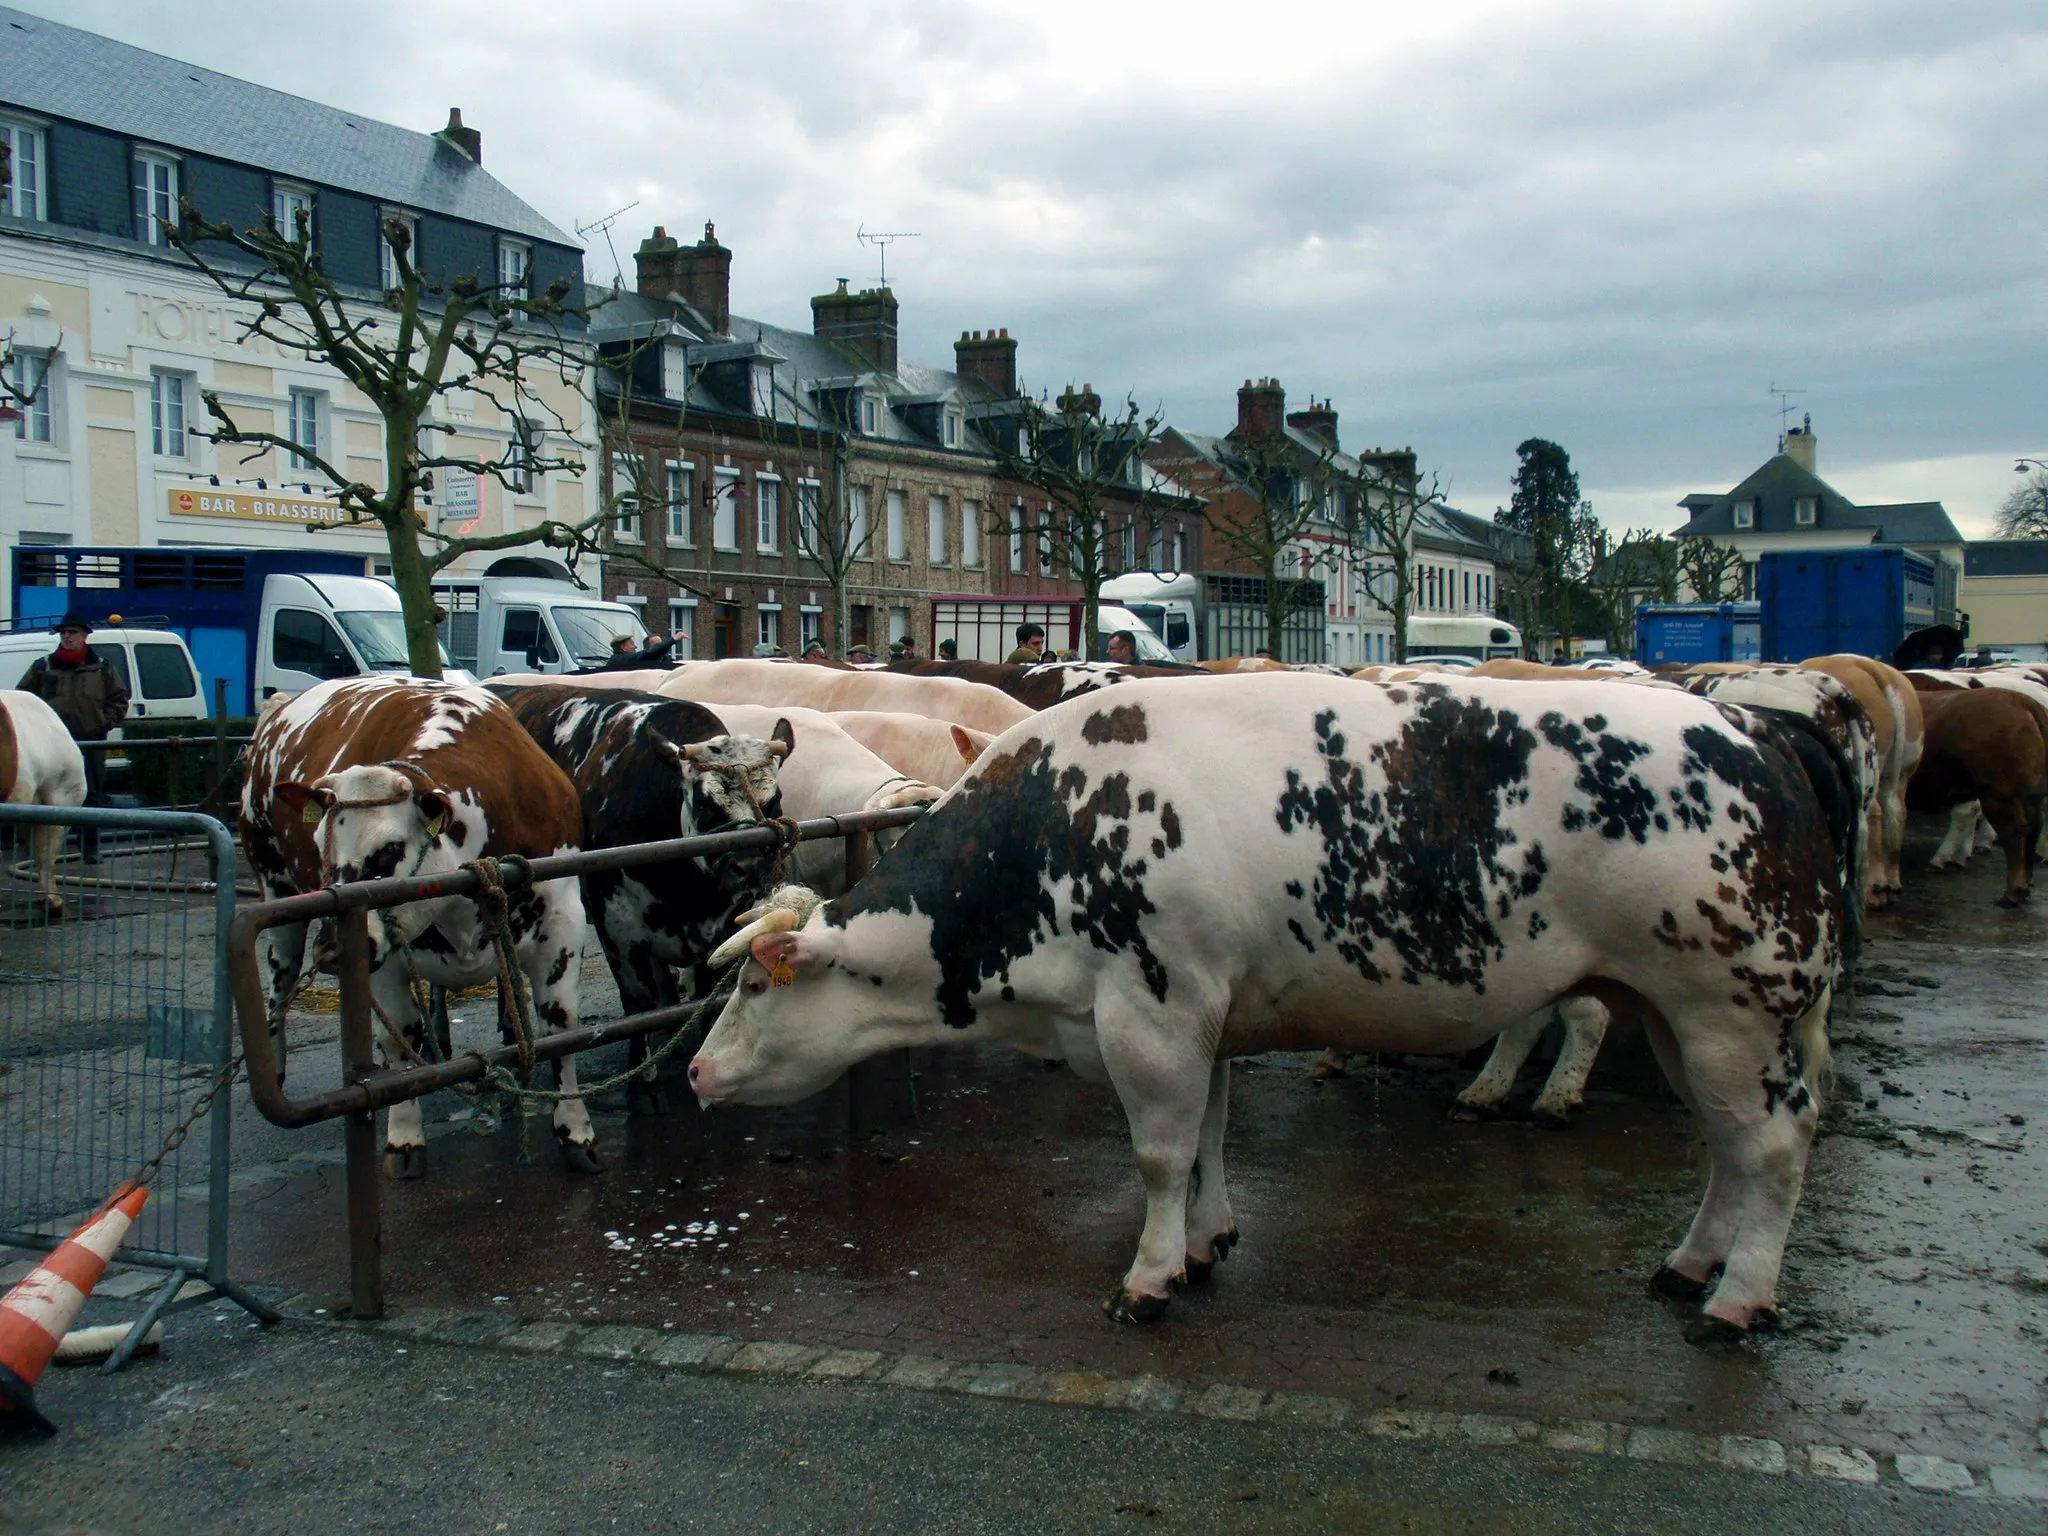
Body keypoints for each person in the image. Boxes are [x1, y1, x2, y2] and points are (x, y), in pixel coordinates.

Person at [18, 613, 129, 864]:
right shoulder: (43, 666)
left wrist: (102, 723)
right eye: (63, 633)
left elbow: (120, 700)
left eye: (73, 632)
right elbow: (24, 699)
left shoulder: (103, 668)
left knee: (90, 794)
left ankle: (90, 847)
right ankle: (37, 849)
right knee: (42, 794)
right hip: (49, 744)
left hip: (89, 741)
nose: (67, 637)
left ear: (85, 636)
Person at [602, 630, 682, 671]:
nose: (636, 647)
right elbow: (648, 654)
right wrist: (673, 639)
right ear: (624, 647)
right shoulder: (621, 660)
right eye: (631, 644)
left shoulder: (620, 659)